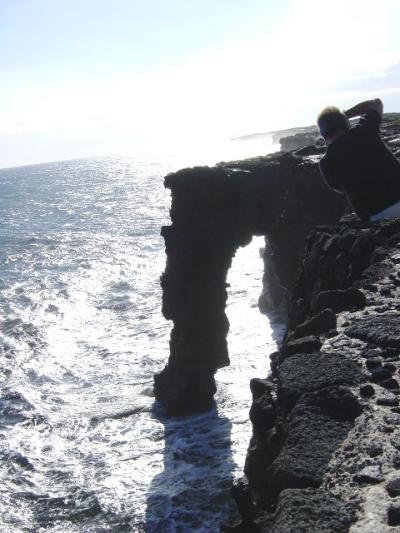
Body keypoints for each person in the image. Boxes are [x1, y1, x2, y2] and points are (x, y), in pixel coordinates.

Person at [317, 98, 400, 222]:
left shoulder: (325, 163)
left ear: (323, 133)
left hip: (376, 217)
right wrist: (345, 115)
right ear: (345, 123)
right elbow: (376, 102)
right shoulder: (365, 129)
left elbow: (340, 189)